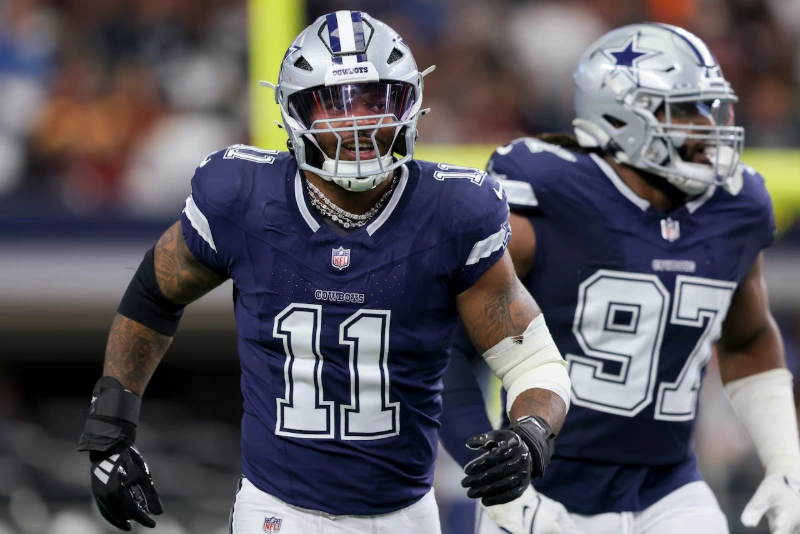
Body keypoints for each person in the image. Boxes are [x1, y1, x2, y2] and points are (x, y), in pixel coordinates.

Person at [76, 11, 572, 534]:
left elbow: (533, 360)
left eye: (376, 100)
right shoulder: (243, 199)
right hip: (277, 511)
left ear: (409, 104)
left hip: (404, 514)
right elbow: (153, 295)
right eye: (335, 103)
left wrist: (531, 434)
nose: (358, 121)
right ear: (296, 112)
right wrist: (110, 428)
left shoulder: (453, 213)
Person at [439, 23, 800, 534]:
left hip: (668, 488)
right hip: (543, 486)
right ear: (620, 116)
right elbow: (443, 345)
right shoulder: (549, 199)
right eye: (685, 110)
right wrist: (493, 471)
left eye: (710, 107)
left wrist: (786, 461)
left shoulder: (735, 206)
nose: (707, 125)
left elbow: (749, 337)